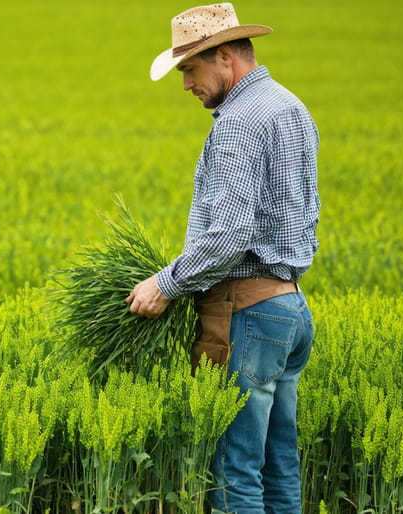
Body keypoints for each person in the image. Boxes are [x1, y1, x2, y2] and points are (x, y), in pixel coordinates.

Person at [124, 3, 320, 513]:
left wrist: (165, 284)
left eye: (189, 69)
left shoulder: (237, 122)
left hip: (247, 317)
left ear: (226, 56)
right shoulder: (292, 107)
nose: (185, 84)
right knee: (280, 467)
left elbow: (229, 235)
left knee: (236, 472)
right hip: (291, 312)